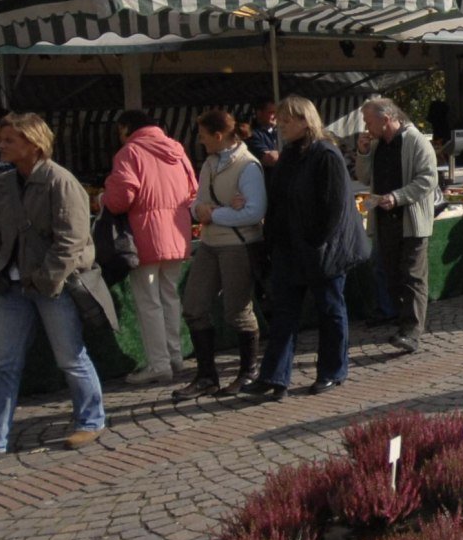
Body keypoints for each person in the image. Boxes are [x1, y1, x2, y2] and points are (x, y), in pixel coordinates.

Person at [0, 114, 110, 465]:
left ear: (33, 144)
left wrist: (46, 279)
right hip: (13, 286)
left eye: (9, 140)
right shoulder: (0, 185)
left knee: (70, 357)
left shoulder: (60, 182)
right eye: (2, 139)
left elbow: (72, 239)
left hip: (53, 286)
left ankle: (91, 419)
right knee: (3, 364)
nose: (1, 145)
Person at [254, 96, 368, 399]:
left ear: (306, 121)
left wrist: (314, 241)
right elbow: (277, 200)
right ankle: (274, 377)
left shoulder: (326, 155)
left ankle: (332, 371)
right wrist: (273, 239)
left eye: (288, 120)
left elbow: (333, 208)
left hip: (323, 250)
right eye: (281, 119)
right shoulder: (290, 155)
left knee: (330, 310)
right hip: (290, 249)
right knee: (284, 314)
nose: (282, 125)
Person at [173, 109, 266, 399]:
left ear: (218, 135)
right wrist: (200, 211)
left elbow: (254, 212)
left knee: (237, 311)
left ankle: (248, 372)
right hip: (212, 243)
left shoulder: (248, 166)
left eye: (203, 136)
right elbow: (197, 202)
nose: (200, 142)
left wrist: (214, 214)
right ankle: (206, 376)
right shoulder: (210, 164)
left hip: (238, 244)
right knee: (193, 306)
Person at [101, 110, 198, 385]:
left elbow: (120, 199)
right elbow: (194, 190)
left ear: (126, 127)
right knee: (170, 296)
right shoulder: (177, 150)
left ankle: (158, 364)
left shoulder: (129, 152)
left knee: (149, 302)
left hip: (144, 237)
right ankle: (175, 356)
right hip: (177, 234)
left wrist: (103, 193)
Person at [357, 97, 437, 354]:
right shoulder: (379, 144)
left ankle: (411, 333)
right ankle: (401, 322)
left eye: (370, 122)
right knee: (392, 274)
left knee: (413, 276)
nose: (367, 127)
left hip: (411, 220)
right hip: (384, 220)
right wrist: (363, 153)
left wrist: (398, 197)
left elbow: (428, 179)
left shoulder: (416, 141)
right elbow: (364, 177)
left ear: (386, 119)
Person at [246, 101, 282, 166]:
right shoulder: (252, 135)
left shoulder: (280, 132)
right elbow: (271, 158)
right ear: (259, 113)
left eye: (277, 113)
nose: (275, 116)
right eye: (271, 112)